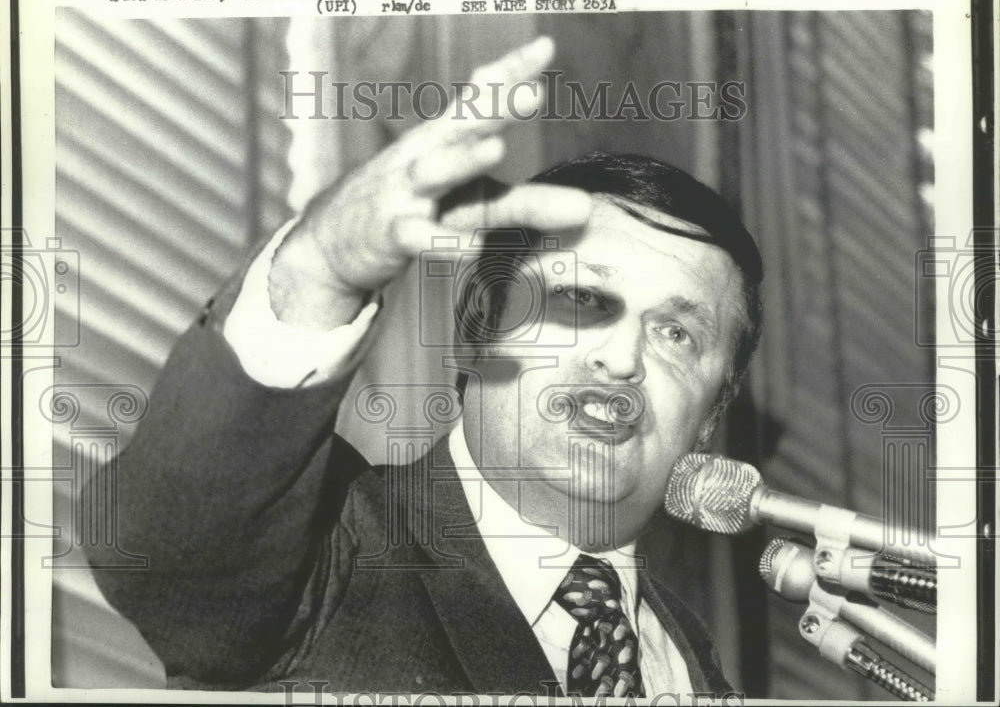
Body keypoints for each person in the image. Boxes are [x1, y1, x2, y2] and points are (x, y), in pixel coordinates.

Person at [83, 37, 763, 698]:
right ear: (475, 330)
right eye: (581, 298)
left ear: (709, 418)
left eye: (676, 332)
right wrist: (319, 267)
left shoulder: (696, 664)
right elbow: (167, 557)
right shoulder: (325, 548)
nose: (621, 358)